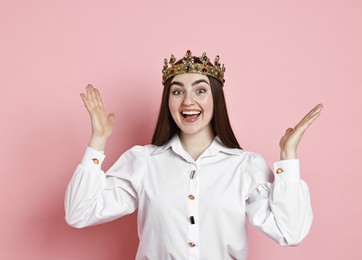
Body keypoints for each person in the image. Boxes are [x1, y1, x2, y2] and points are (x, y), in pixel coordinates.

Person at [65, 50, 323, 260]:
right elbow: (79, 213)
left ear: (216, 99)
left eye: (200, 90)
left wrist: (288, 157)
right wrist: (97, 141)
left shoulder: (245, 166)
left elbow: (291, 232)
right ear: (169, 101)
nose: (188, 101)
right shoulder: (143, 162)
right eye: (177, 91)